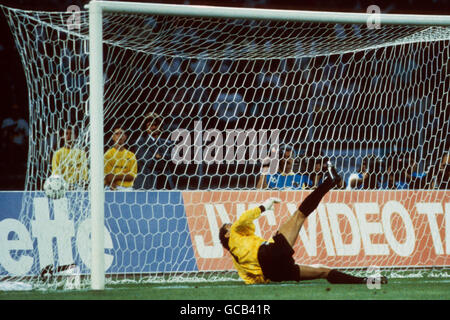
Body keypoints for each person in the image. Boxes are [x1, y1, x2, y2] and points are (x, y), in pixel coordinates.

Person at [219, 162, 388, 285]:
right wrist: (264, 206)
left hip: (273, 272)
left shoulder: (237, 262)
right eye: (229, 225)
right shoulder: (234, 233)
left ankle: (369, 281)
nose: (232, 225)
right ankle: (330, 181)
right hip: (267, 253)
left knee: (323, 272)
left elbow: (252, 281)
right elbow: (243, 219)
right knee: (299, 215)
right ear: (227, 233)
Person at [133, 112, 175, 190]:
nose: (153, 127)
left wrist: (160, 156)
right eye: (150, 125)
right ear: (145, 127)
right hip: (147, 185)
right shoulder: (141, 143)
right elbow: (150, 162)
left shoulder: (167, 143)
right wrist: (164, 157)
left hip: (166, 185)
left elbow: (174, 160)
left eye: (156, 125)